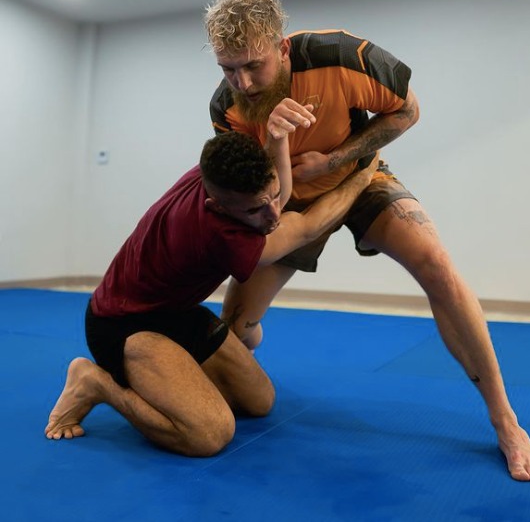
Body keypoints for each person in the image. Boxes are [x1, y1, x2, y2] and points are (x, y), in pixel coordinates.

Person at [206, 0, 530, 482]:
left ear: (281, 48)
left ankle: (506, 421)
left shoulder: (341, 55)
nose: (242, 83)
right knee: (233, 331)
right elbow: (255, 190)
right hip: (292, 199)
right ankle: (253, 328)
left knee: (437, 266)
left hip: (361, 176)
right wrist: (278, 151)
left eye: (252, 66)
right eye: (227, 69)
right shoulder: (228, 107)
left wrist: (338, 157)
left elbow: (408, 110)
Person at [45, 109, 377, 457]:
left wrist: (277, 139)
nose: (273, 216)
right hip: (124, 327)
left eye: (273, 198)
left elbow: (274, 189)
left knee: (260, 402)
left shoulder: (217, 173)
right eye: (254, 211)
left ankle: (176, 378)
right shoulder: (222, 235)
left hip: (178, 313)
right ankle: (96, 383)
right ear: (215, 206)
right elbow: (308, 226)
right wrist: (365, 175)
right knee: (209, 435)